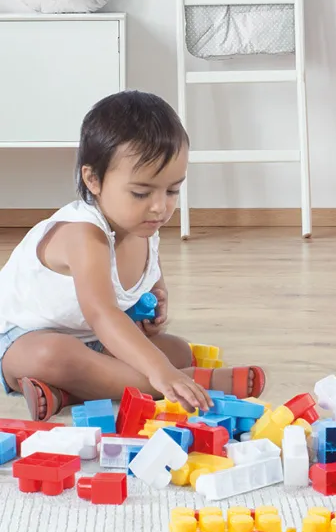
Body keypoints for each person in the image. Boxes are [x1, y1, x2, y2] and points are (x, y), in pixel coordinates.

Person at [0, 90, 265, 421]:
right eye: (141, 193)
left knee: (177, 350)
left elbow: (149, 274)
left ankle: (67, 392)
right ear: (93, 179)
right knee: (51, 356)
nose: (160, 207)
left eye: (172, 190)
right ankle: (188, 383)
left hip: (94, 341)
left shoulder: (141, 225)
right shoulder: (84, 236)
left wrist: (157, 293)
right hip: (23, 339)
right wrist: (161, 373)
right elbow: (102, 314)